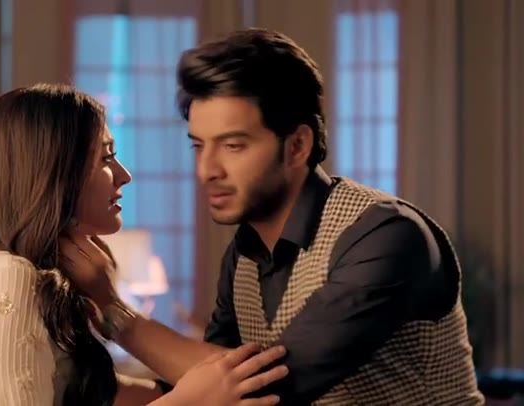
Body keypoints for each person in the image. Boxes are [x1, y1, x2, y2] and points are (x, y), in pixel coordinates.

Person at [59, 28, 485, 405]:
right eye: (199, 146)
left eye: (233, 145)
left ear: (297, 146)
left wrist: (113, 309)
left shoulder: (386, 236)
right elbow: (204, 390)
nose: (207, 170)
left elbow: (266, 389)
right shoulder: (244, 255)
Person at [0, 83, 288, 406]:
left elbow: (240, 382)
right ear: (51, 172)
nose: (124, 175)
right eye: (106, 157)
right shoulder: (5, 275)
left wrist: (110, 305)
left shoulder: (36, 284)